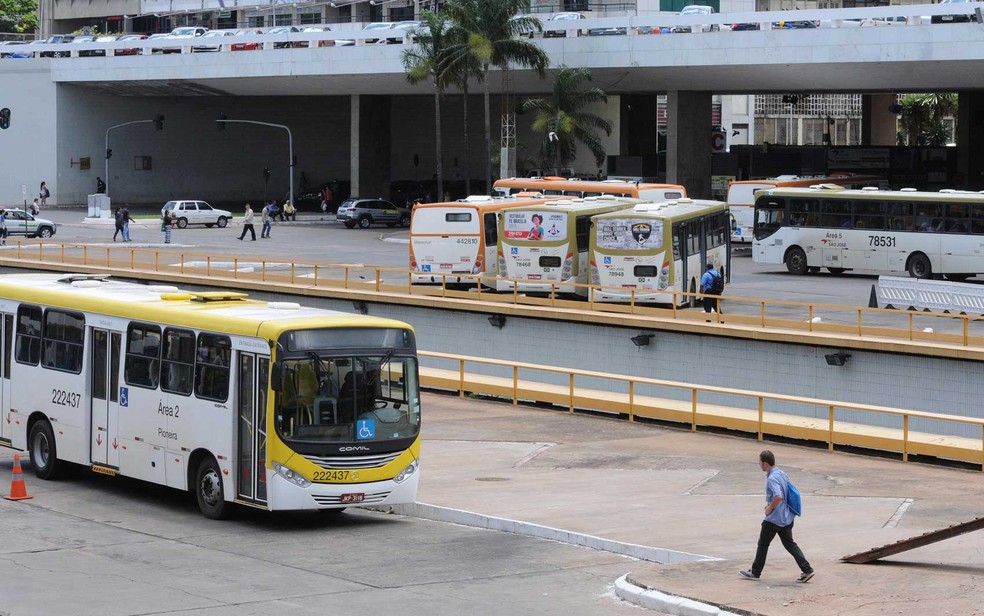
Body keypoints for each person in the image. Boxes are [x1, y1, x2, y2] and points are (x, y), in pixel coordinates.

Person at [739, 450, 814, 583]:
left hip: (775, 519)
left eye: (760, 462)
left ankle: (755, 572)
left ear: (765, 463)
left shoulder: (772, 478)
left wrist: (769, 508)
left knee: (763, 544)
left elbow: (778, 496)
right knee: (790, 544)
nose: (759, 465)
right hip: (786, 517)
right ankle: (807, 569)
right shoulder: (781, 473)